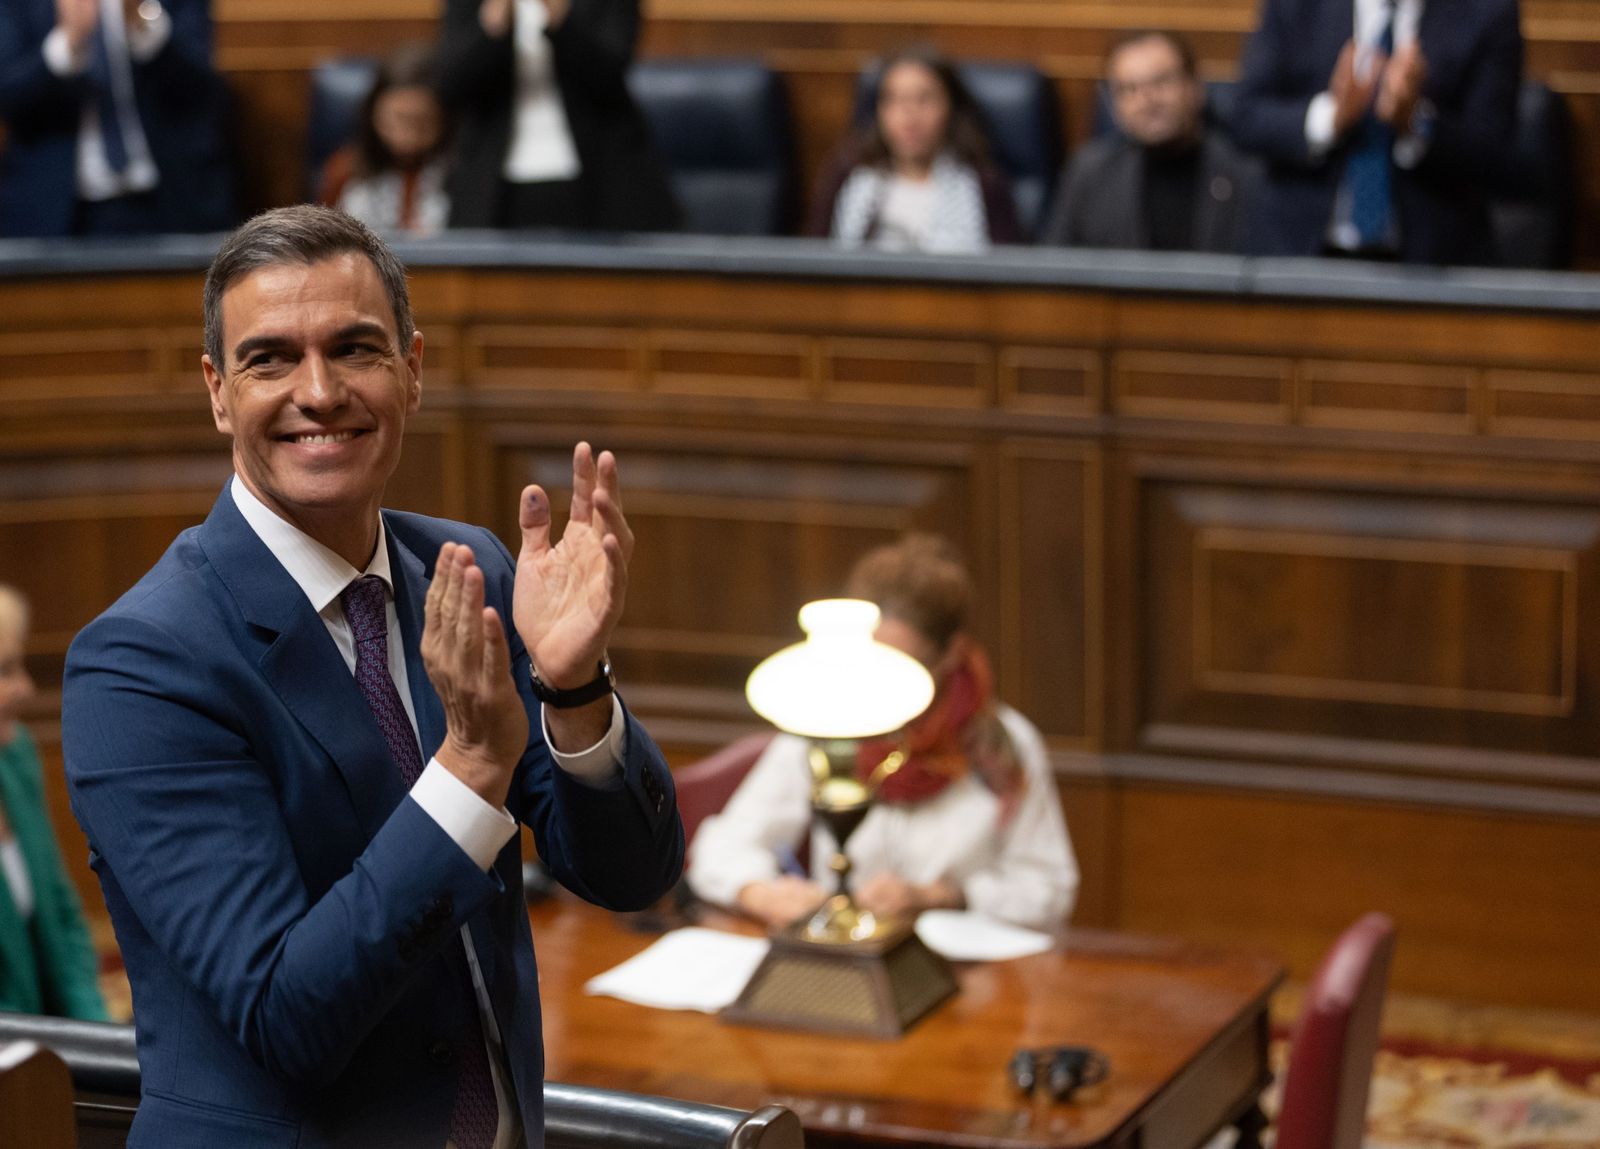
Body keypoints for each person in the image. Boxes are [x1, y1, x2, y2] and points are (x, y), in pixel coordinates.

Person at [61, 205, 683, 1148]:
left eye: (355, 349)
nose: (320, 392)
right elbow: (287, 1016)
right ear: (219, 391)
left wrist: (575, 688)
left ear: (412, 369)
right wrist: (470, 768)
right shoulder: (142, 662)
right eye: (271, 359)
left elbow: (633, 875)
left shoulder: (468, 573)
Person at [688, 535, 1077, 933]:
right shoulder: (826, 722)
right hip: (845, 953)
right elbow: (723, 848)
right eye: (870, 662)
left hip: (965, 957)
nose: (879, 685)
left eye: (902, 667)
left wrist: (942, 896)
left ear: (951, 655)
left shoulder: (1002, 746)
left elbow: (1047, 886)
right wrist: (761, 893)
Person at [1229, 0, 1523, 265]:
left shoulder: (1488, 11)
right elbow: (1245, 116)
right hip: (1296, 255)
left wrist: (1416, 122)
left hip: (1433, 264)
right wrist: (1330, 117)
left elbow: (1495, 153)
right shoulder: (1296, 6)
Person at [437, 0, 678, 232]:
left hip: (600, 177)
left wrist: (560, 17)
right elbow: (450, 85)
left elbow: (611, 78)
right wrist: (493, 24)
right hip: (491, 186)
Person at [0, 0, 235, 238]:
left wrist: (143, 25)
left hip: (170, 201)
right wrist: (67, 44)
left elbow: (205, 93)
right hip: (54, 210)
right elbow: (8, 95)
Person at [1041, 30, 1256, 253]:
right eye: (1129, 89)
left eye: (1161, 82)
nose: (1146, 100)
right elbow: (1053, 264)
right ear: (1112, 104)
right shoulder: (1089, 173)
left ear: (1195, 87)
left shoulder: (1246, 172)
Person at [0, 585, 109, 1022]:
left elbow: (64, 922)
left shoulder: (15, 757)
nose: (25, 688)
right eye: (4, 671)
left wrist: (94, 1035)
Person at [806, 46, 1021, 253]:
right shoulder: (847, 173)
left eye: (924, 99)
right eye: (896, 100)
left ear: (951, 107)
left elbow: (1010, 268)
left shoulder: (984, 184)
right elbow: (812, 259)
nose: (909, 117)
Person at [318, 43, 452, 236]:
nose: (408, 137)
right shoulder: (345, 170)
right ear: (374, 114)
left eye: (422, 123)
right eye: (398, 119)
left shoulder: (463, 175)